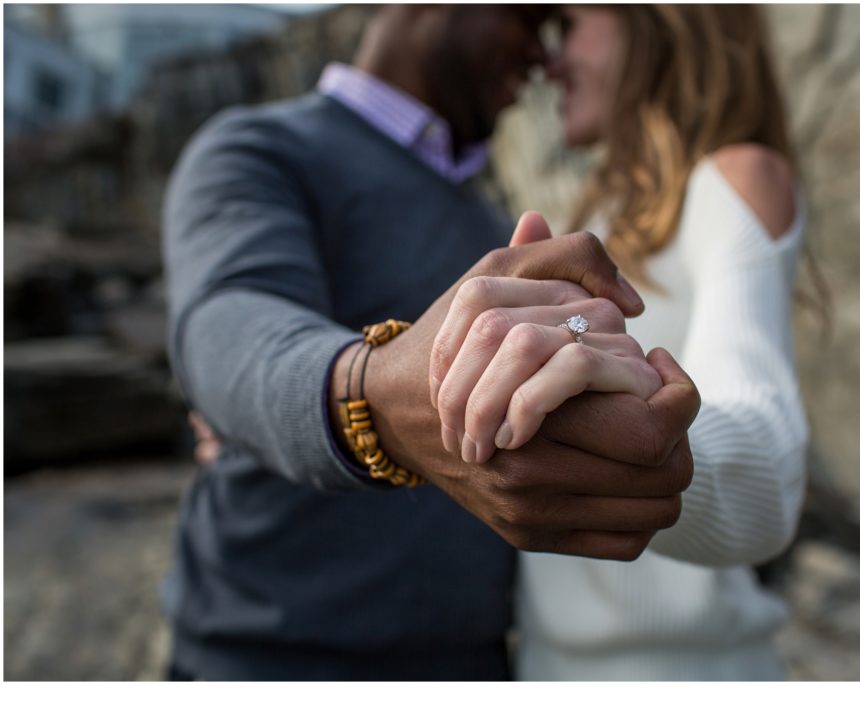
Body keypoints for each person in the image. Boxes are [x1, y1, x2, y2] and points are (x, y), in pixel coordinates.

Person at [161, 5, 699, 681]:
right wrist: (374, 399)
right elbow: (228, 328)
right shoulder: (260, 148)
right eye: (532, 21)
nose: (541, 58)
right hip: (268, 657)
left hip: (471, 661)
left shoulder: (500, 225)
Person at [431, 5, 810, 680]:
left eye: (570, 25)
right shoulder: (596, 218)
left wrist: (635, 427)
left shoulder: (736, 177)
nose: (550, 63)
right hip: (546, 665)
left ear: (659, 20)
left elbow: (770, 473)